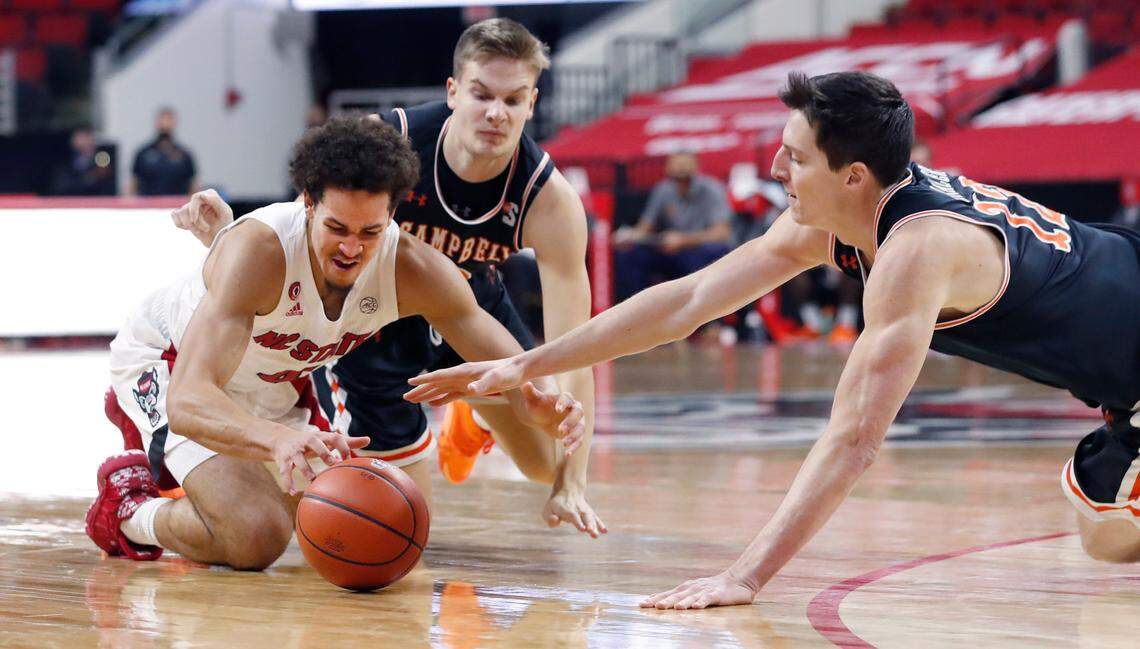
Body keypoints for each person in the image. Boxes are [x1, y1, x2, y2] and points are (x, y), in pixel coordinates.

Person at [406, 70, 1140, 608]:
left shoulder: (917, 251)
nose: (773, 167)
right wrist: (526, 361)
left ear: (852, 176)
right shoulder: (835, 221)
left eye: (793, 156)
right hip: (1119, 370)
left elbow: (853, 440)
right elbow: (686, 303)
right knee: (1104, 531)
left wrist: (745, 574)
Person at [86, 116, 583, 569]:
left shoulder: (413, 268)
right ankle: (128, 509)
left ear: (393, 215)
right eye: (337, 228)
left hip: (275, 381)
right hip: (171, 364)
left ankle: (198, 484)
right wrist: (279, 439)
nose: (350, 248)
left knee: (369, 518)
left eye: (370, 231)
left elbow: (506, 358)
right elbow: (191, 399)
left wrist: (533, 399)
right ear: (308, 202)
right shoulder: (260, 251)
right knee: (256, 537)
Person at [176, 18, 604, 537]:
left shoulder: (550, 201)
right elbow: (306, 232)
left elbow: (576, 349)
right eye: (481, 94)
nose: (495, 113)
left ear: (532, 104)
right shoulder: (387, 142)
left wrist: (573, 483)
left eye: (513, 100)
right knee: (395, 526)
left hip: (471, 308)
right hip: (375, 317)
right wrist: (229, 240)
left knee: (546, 460)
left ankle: (470, 415)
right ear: (453, 92)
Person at [612, 153, 733, 302]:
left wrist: (684, 240)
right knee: (630, 256)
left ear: (695, 167)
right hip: (671, 249)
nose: (680, 169)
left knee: (707, 254)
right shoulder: (663, 190)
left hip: (699, 248)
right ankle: (638, 308)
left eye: (684, 164)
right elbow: (644, 228)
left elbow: (721, 233)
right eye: (676, 165)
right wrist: (628, 237)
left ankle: (710, 321)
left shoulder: (711, 189)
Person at [130, 107, 198, 197]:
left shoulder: (184, 155)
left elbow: (193, 185)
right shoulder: (143, 154)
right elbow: (134, 183)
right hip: (148, 205)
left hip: (178, 205)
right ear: (156, 123)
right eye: (162, 120)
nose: (165, 124)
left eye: (169, 120)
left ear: (174, 123)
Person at [51, 126, 116, 196]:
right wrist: (91, 177)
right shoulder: (65, 164)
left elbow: (110, 188)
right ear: (74, 141)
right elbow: (63, 187)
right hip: (73, 201)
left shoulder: (102, 160)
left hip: (97, 201)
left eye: (88, 137)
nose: (86, 141)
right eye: (82, 137)